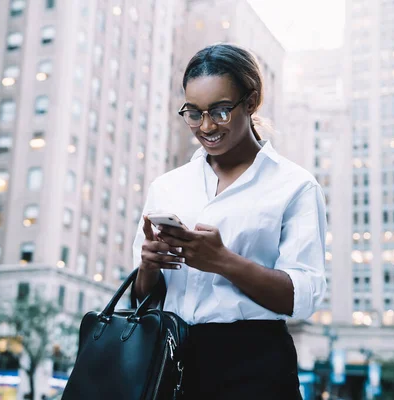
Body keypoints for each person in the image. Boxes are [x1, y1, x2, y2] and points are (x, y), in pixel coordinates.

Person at [132, 43, 327, 399]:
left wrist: (223, 262)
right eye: (194, 113)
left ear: (251, 103)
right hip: (169, 359)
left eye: (221, 111)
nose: (206, 126)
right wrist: (148, 266)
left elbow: (305, 297)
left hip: (254, 366)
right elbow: (142, 298)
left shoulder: (295, 186)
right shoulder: (168, 186)